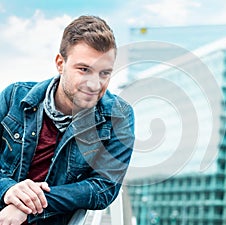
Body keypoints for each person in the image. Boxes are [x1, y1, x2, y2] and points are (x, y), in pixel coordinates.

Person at [0, 15, 135, 225]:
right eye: (84, 69)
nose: (94, 84)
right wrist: (7, 188)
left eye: (104, 73)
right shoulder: (14, 97)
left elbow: (103, 188)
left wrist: (27, 206)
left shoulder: (118, 116)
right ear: (60, 63)